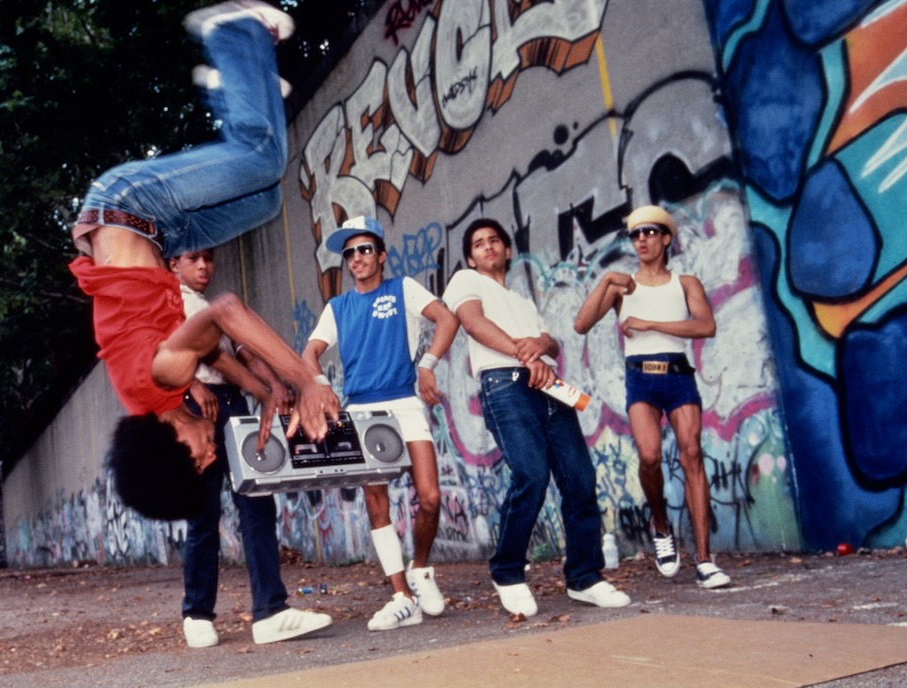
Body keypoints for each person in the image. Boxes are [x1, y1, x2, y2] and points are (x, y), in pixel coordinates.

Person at [68, 0, 338, 643]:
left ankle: (232, 34)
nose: (210, 451)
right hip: (160, 235)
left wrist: (304, 378)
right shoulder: (159, 392)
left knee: (263, 160)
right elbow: (215, 346)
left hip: (128, 206)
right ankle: (236, 87)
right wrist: (268, 388)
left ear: (167, 445)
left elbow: (224, 311)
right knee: (266, 196)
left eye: (196, 457)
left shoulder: (157, 376)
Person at [442, 218, 631, 617]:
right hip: (505, 384)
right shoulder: (465, 282)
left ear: (508, 250)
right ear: (471, 258)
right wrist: (527, 355)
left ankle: (584, 576)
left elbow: (554, 343)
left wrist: (542, 345)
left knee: (580, 479)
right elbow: (474, 324)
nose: (488, 247)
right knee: (530, 474)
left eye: (495, 240)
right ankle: (507, 570)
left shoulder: (525, 301)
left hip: (550, 387)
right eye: (478, 244)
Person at [301, 216, 459, 631]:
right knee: (377, 504)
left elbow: (447, 318)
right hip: (361, 412)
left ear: (381, 256)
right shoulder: (338, 307)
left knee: (429, 497)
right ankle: (401, 596)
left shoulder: (402, 288)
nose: (356, 258)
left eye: (365, 249)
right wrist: (320, 386)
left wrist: (427, 365)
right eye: (349, 252)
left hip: (404, 401)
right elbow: (309, 353)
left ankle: (421, 570)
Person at [170, 248, 331, 647]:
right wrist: (189, 386)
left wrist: (275, 385)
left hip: (234, 405)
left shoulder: (209, 308)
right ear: (173, 264)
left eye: (208, 258)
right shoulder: (163, 299)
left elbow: (241, 351)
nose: (204, 266)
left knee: (257, 502)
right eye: (194, 259)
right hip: (195, 407)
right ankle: (197, 613)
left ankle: (270, 611)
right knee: (203, 513)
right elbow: (165, 354)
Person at [572, 204, 730, 589]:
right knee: (649, 457)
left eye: (649, 232)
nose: (641, 239)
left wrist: (650, 324)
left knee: (691, 453)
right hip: (640, 380)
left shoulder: (686, 282)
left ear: (666, 238)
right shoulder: (623, 286)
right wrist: (607, 280)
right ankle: (661, 526)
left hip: (678, 375)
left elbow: (705, 325)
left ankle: (705, 560)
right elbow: (580, 324)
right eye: (635, 234)